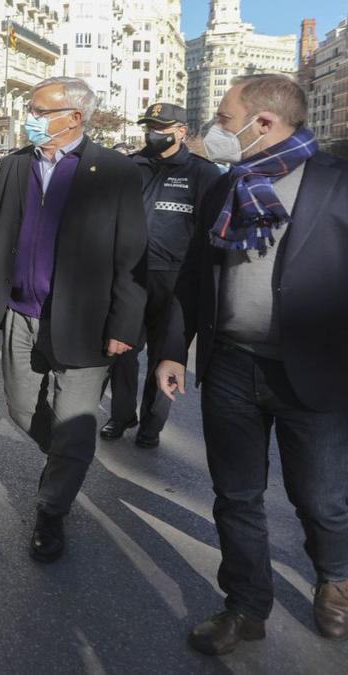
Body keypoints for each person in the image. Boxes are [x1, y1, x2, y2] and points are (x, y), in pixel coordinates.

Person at [155, 74, 348, 655]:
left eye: (223, 117)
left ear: (261, 124)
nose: (217, 129)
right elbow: (194, 277)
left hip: (314, 372)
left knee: (321, 498)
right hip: (233, 367)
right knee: (236, 496)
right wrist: (171, 346)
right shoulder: (224, 188)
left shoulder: (336, 185)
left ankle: (335, 585)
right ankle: (245, 608)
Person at [0, 76, 147, 564]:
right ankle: (66, 461)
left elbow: (132, 256)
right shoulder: (16, 166)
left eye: (40, 112)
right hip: (20, 313)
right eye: (31, 111)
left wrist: (125, 326)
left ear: (74, 118)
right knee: (22, 411)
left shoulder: (116, 171)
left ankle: (51, 509)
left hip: (86, 323)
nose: (31, 119)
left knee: (75, 426)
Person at [101, 103, 221, 449]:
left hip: (177, 282)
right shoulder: (129, 168)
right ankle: (121, 414)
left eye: (161, 127)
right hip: (130, 277)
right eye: (149, 126)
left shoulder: (204, 174)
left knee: (165, 356)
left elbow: (210, 232)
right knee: (121, 350)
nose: (153, 132)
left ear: (181, 131)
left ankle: (151, 426)